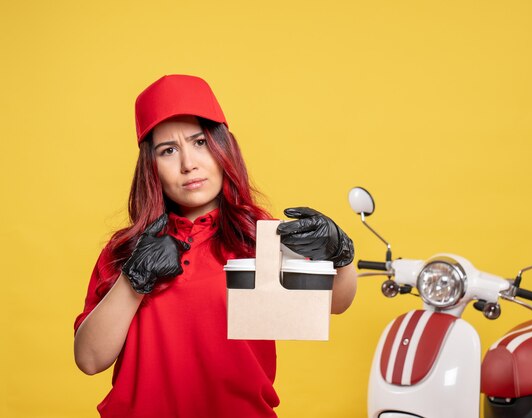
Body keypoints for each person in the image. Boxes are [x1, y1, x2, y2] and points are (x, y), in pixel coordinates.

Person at [73, 74, 357, 418]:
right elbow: (89, 360)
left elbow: (332, 304)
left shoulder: (258, 236)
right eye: (168, 150)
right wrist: (134, 280)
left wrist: (341, 255)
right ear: (152, 167)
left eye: (200, 142)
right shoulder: (125, 250)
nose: (188, 164)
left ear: (224, 146)